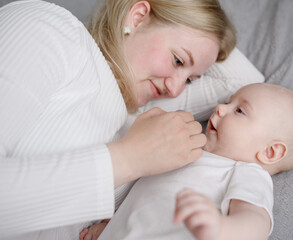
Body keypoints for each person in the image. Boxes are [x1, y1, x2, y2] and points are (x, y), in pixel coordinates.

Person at [0, 0, 265, 239]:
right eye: (177, 60)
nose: (175, 89)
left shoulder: (141, 117)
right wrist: (130, 159)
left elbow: (244, 82)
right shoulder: (52, 30)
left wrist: (209, 41)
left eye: (191, 80)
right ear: (137, 17)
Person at [79, 83, 293, 240]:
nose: (221, 108)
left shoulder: (246, 172)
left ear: (270, 152)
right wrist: (110, 226)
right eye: (228, 101)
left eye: (240, 111)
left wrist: (221, 229)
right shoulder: (185, 149)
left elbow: (256, 222)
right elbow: (144, 200)